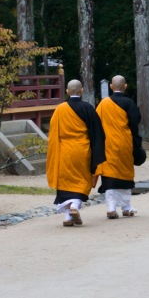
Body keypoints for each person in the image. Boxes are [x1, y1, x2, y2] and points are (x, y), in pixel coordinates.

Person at [46, 79, 106, 227]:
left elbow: (53, 133)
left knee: (65, 182)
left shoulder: (60, 109)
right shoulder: (88, 108)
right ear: (82, 91)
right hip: (82, 150)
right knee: (82, 180)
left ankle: (67, 216)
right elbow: (98, 133)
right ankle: (74, 206)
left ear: (67, 91)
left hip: (64, 151)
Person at [94, 75, 144, 219]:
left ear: (111, 87)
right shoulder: (129, 103)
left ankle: (110, 207)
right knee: (125, 174)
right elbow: (135, 122)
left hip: (107, 144)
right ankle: (126, 207)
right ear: (125, 86)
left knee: (109, 174)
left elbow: (96, 123)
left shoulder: (103, 104)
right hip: (124, 142)